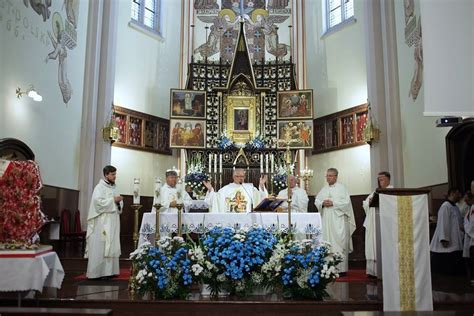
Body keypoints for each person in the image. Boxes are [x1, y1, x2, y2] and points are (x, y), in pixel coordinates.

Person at [85, 165, 123, 279]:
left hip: (113, 221)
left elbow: (119, 204)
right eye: (112, 174)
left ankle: (110, 271)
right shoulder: (99, 187)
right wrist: (113, 200)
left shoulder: (114, 187)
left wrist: (118, 202)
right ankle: (97, 272)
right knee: (101, 246)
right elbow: (97, 203)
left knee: (112, 244)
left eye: (115, 174)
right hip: (102, 222)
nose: (115, 176)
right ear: (106, 175)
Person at [314, 168, 356, 273]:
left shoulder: (342, 188)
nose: (328, 177)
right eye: (327, 175)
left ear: (336, 176)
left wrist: (333, 203)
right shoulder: (324, 189)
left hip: (338, 220)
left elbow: (346, 203)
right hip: (327, 219)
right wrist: (322, 203)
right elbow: (317, 200)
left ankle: (340, 269)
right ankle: (328, 269)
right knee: (327, 242)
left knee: (339, 243)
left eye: (330, 175)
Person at [362, 171, 393, 277]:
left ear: (388, 179)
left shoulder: (391, 191)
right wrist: (369, 202)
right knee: (372, 245)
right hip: (373, 222)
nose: (380, 181)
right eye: (379, 179)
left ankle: (384, 270)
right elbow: (365, 203)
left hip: (384, 224)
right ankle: (372, 271)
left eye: (382, 179)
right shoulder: (376, 191)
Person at [430, 188, 464, 275]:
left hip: (455, 243)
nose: (460, 196)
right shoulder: (445, 206)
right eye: (458, 193)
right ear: (452, 194)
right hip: (446, 246)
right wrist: (444, 238)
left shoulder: (455, 207)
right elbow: (443, 223)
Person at [463, 192, 474, 284]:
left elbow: (472, 225)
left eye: (467, 200)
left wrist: (466, 229)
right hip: (470, 239)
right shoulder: (469, 209)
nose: (466, 202)